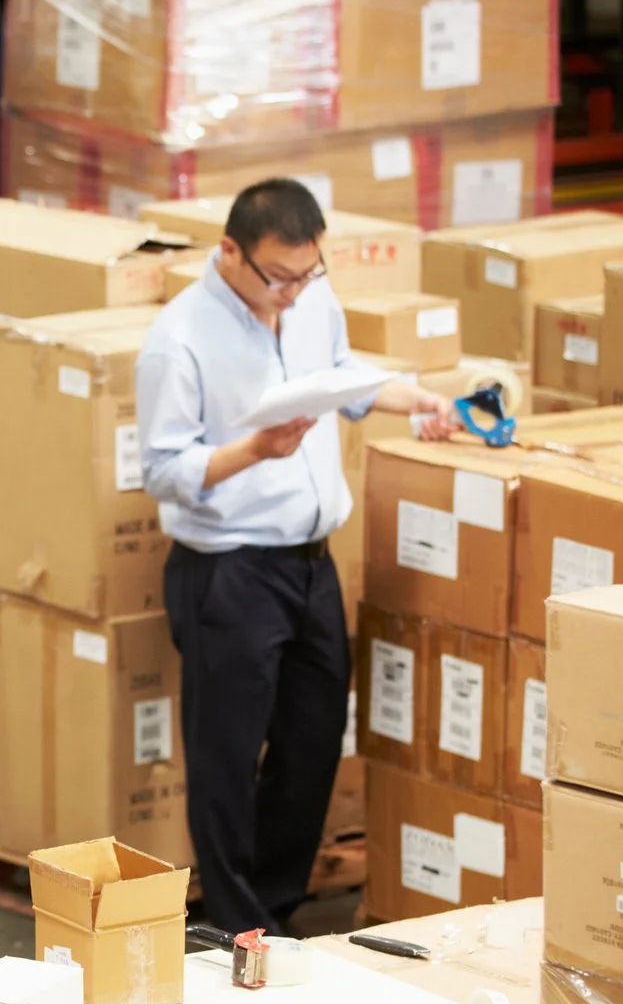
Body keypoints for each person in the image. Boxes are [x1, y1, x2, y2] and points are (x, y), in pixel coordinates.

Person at [137, 178, 460, 938]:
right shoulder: (177, 339)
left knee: (313, 741)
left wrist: (416, 400)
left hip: (310, 562)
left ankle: (273, 905)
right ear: (229, 253)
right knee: (225, 756)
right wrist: (253, 450)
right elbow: (162, 470)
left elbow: (340, 379)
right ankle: (233, 922)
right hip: (229, 570)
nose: (290, 293)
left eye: (305, 274)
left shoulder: (310, 300)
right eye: (277, 277)